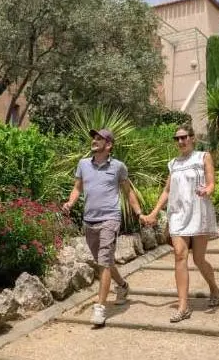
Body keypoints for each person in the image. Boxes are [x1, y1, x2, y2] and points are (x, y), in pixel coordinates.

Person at [63, 128, 142, 327]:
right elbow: (77, 187)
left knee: (104, 261)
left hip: (110, 218)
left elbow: (128, 192)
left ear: (109, 145)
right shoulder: (83, 164)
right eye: (94, 138)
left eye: (99, 139)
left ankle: (100, 307)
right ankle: (122, 286)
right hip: (89, 219)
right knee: (103, 261)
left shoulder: (118, 167)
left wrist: (139, 213)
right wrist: (70, 203)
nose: (94, 141)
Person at [144, 124, 219, 323]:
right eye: (177, 138)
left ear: (192, 138)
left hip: (198, 212)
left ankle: (214, 288)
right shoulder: (173, 164)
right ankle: (183, 307)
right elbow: (167, 191)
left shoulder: (203, 157)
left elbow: (212, 183)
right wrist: (154, 212)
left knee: (198, 259)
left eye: (184, 137)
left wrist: (207, 190)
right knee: (179, 255)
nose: (180, 141)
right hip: (178, 214)